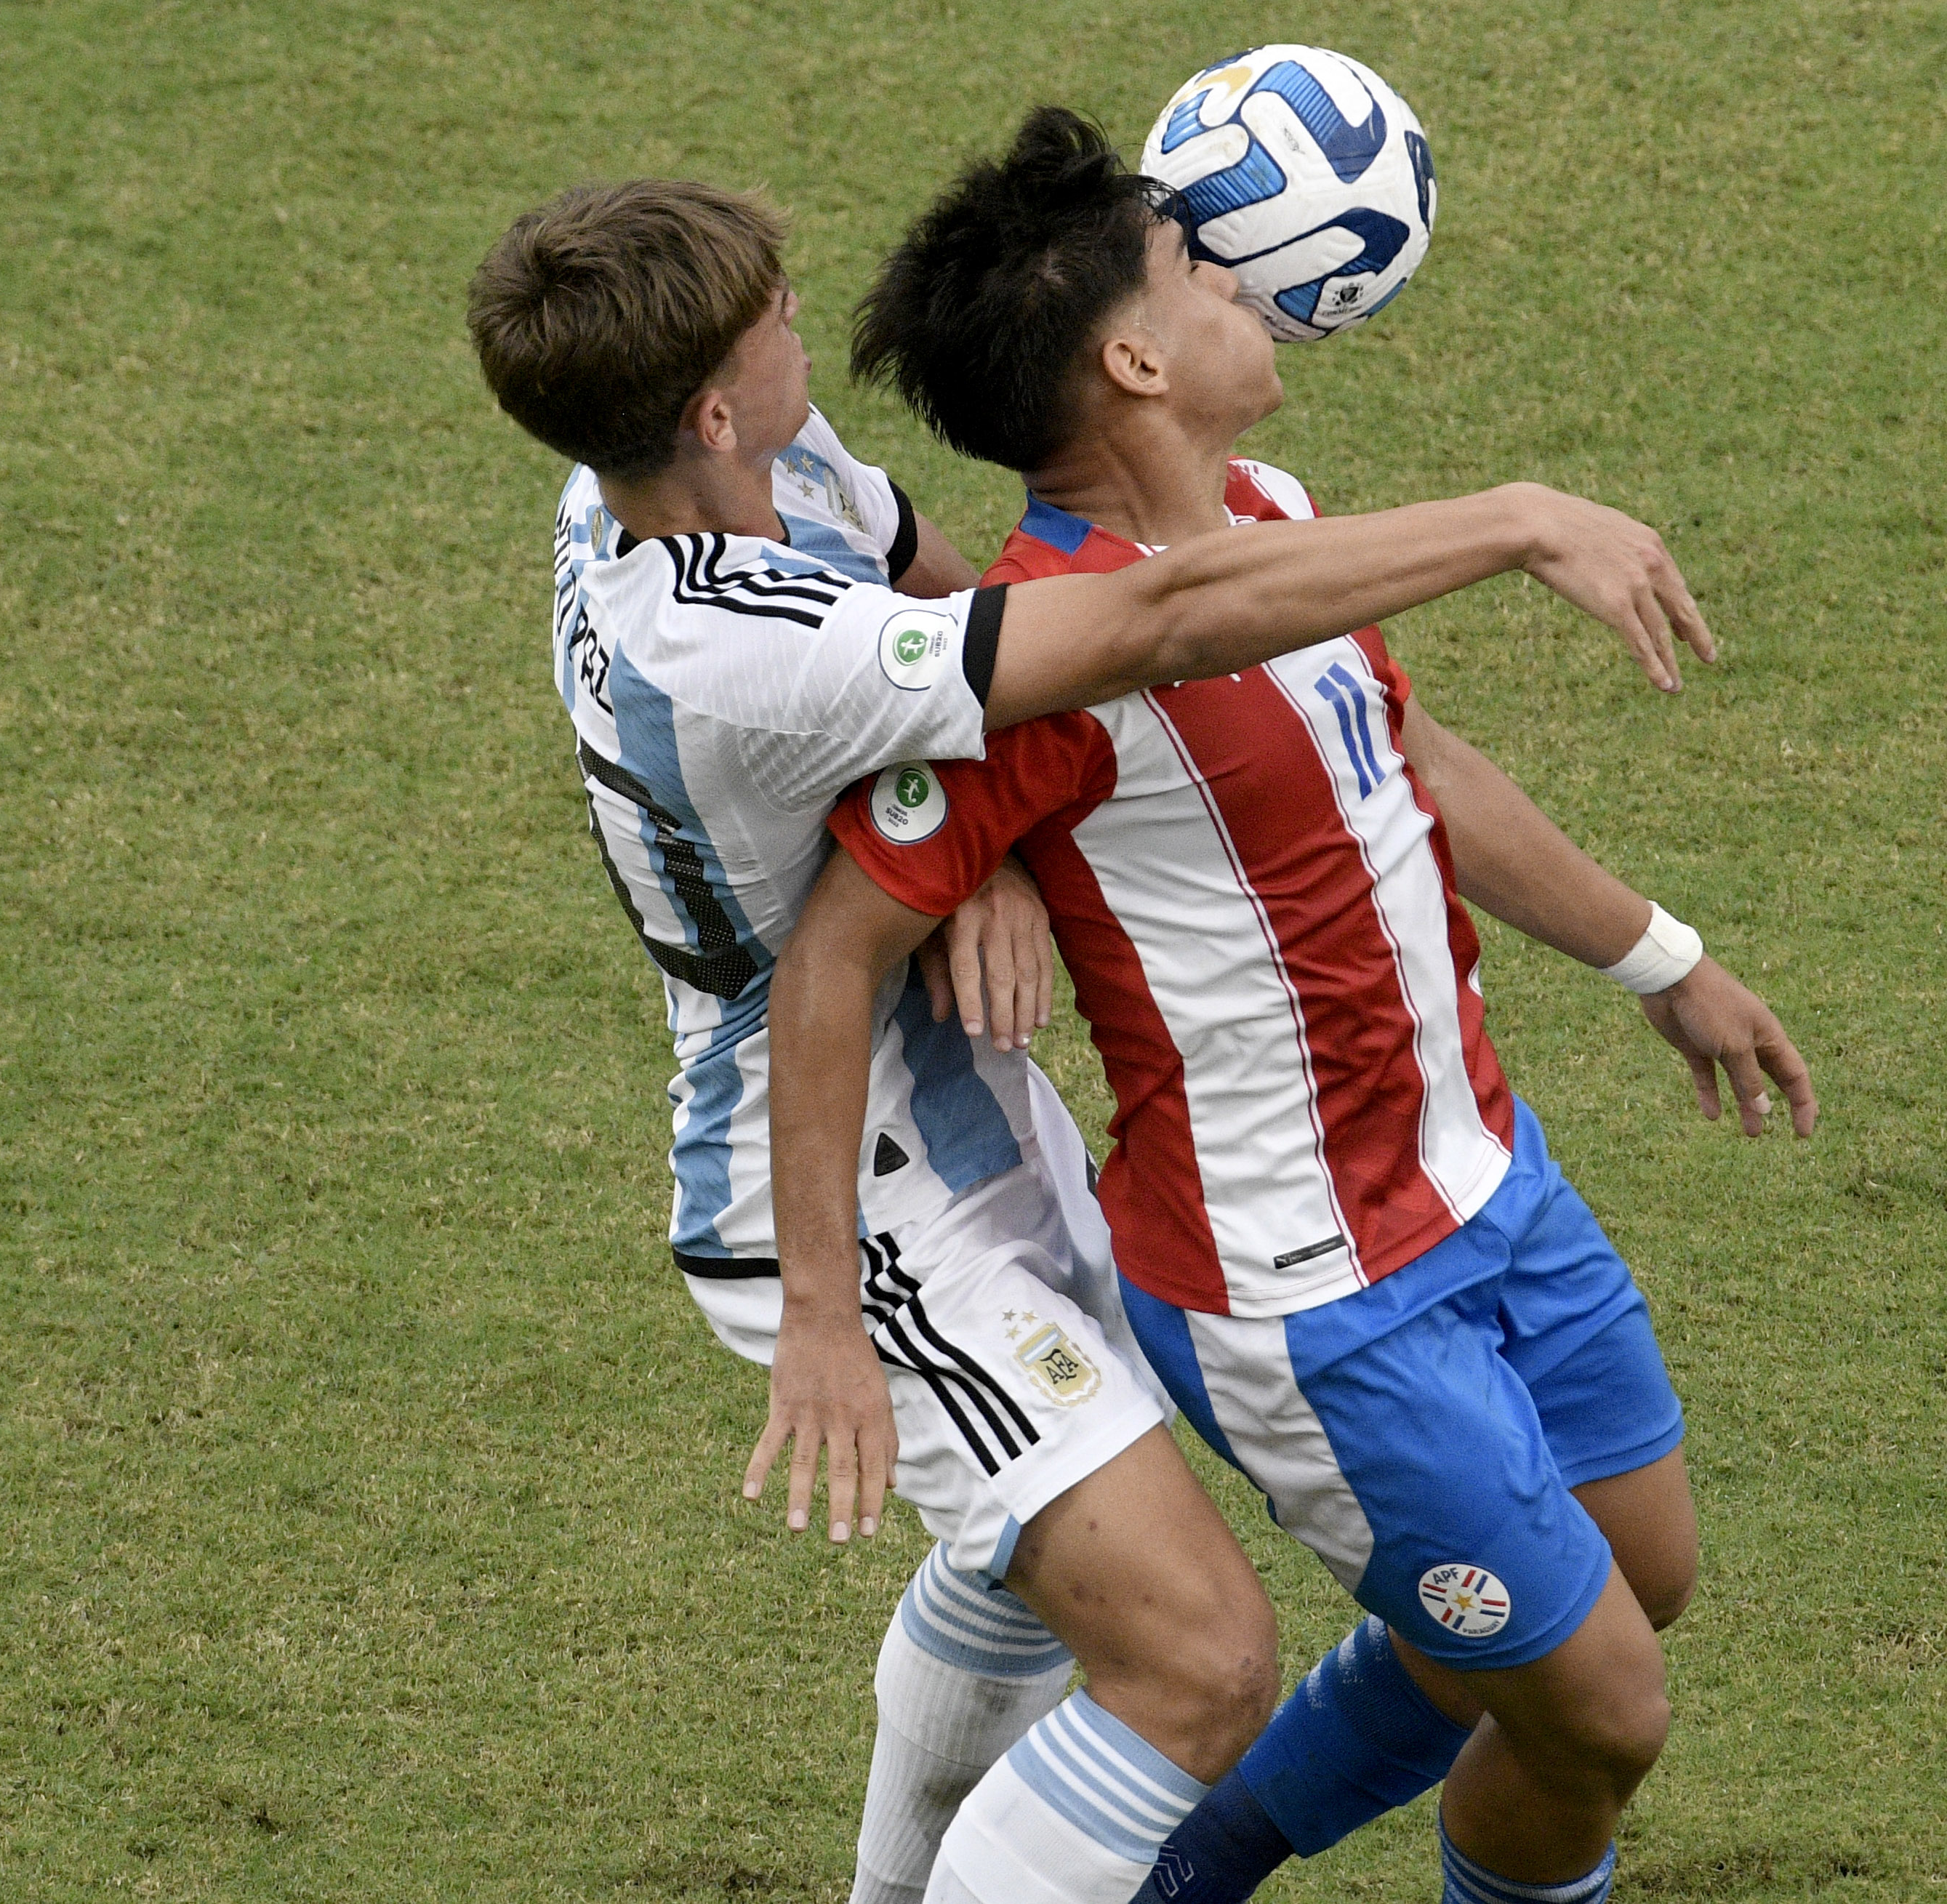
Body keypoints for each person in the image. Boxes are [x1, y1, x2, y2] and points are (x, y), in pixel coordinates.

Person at [463, 177, 1716, 1904]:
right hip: (843, 1175)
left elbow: (964, 601)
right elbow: (1135, 629)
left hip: (974, 1106)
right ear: (706, 409)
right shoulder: (723, 642)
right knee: (1195, 1655)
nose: (801, 335)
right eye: (773, 326)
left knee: (1033, 1558)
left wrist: (998, 848)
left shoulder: (731, 459)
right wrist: (828, 1309)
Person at [771, 110, 1817, 1904]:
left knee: (1637, 1571)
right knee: (1603, 1713)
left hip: (1486, 1181)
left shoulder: (1276, 520)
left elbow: (1399, 752)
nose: (1246, 278)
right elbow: (831, 953)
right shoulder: (1042, 669)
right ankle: (1194, 1867)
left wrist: (1660, 956)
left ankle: (1206, 1856)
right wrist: (815, 1309)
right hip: (1308, 1298)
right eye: (1195, 266)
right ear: (1132, 358)